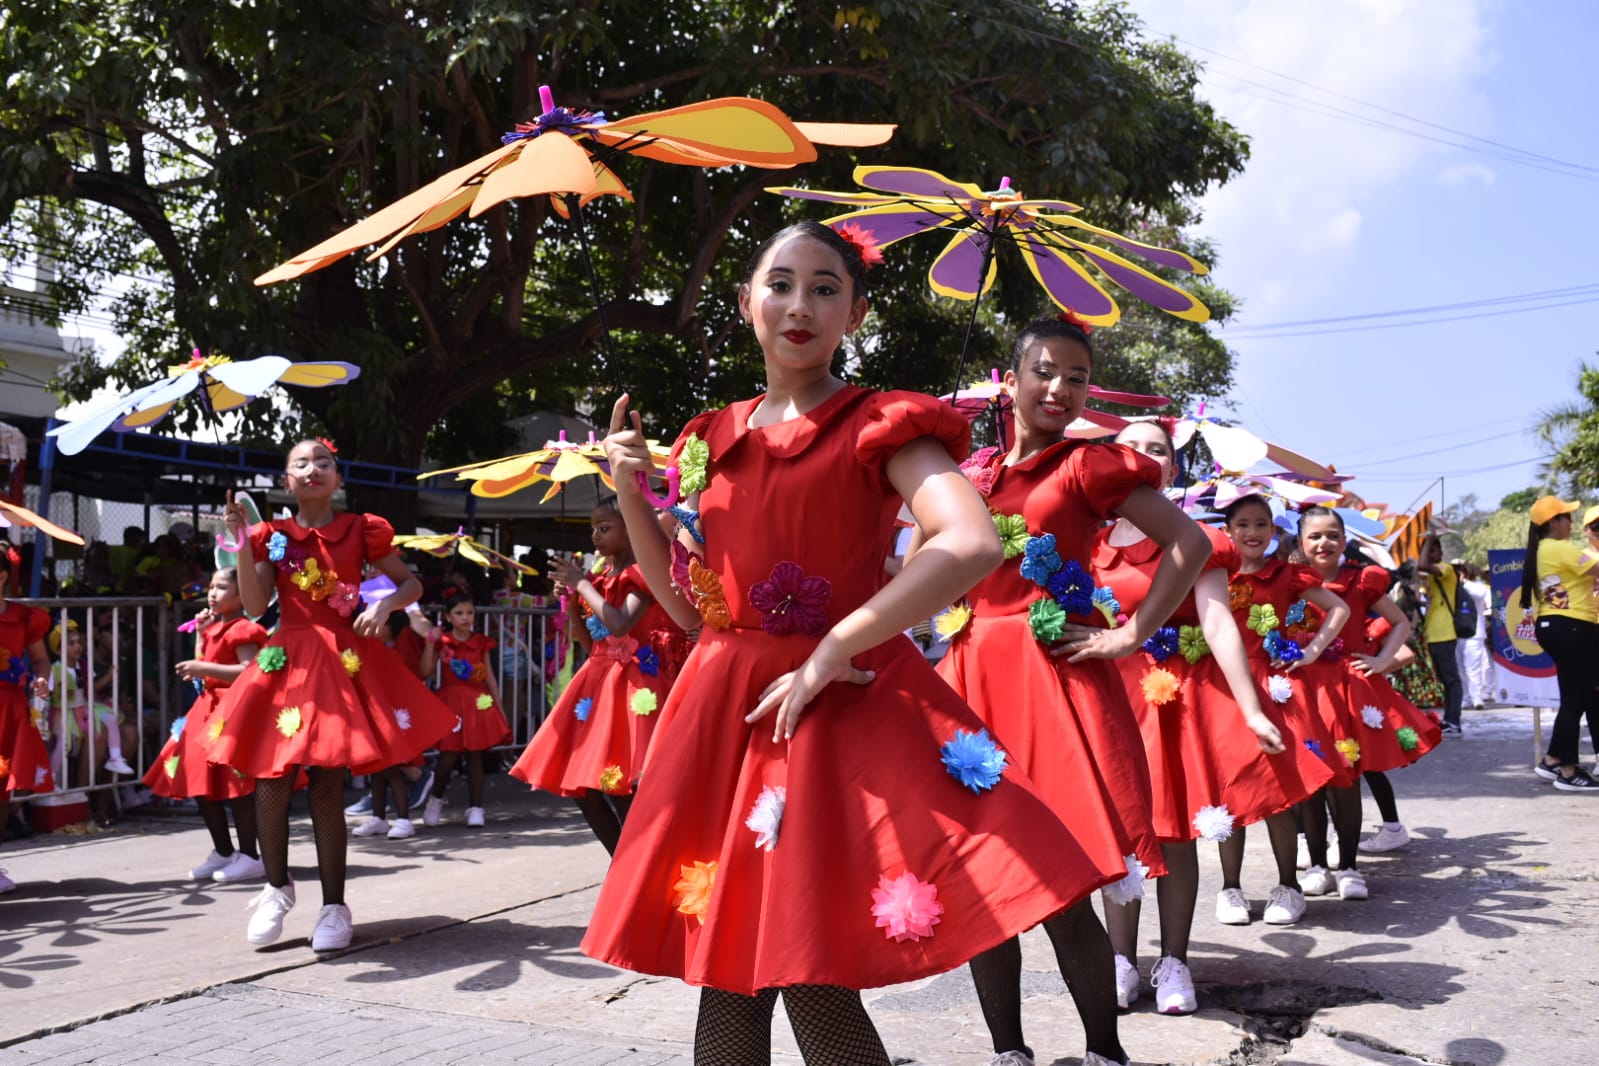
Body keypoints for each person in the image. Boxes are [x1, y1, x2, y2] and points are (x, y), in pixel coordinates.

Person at [592, 221, 1111, 1066]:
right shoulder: (705, 438)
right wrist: (627, 488)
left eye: (825, 288)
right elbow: (690, 613)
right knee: (730, 967)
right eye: (781, 283)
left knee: (802, 965)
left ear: (855, 312)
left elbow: (969, 541)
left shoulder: (880, 422)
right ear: (744, 303)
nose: (800, 305)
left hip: (831, 712)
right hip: (728, 708)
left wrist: (837, 645)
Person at [927, 314, 1208, 1058]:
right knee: (983, 884)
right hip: (968, 678)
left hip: (1051, 678)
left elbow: (1190, 543)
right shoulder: (969, 474)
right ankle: (1007, 1052)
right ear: (1010, 378)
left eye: (1076, 377)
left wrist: (1130, 634)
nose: (1059, 388)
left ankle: (1102, 1051)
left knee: (1058, 885)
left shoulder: (1089, 466)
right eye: (1045, 371)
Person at [1092, 424, 1335, 1015]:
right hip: (1110, 698)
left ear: (1172, 469)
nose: (1146, 457)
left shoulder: (1197, 538)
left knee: (1174, 832)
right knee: (1120, 831)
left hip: (1176, 701)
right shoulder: (1086, 542)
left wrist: (1251, 706)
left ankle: (1173, 962)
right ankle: (1121, 960)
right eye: (1134, 446)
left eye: (1159, 449)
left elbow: (1220, 622)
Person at [210, 440, 458, 950]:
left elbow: (409, 584)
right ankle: (277, 887)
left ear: (337, 478)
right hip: (288, 661)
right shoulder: (270, 535)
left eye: (323, 462)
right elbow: (256, 607)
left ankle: (333, 907)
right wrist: (241, 544)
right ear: (287, 481)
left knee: (326, 781)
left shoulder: (360, 529)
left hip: (341, 663)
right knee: (270, 777)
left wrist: (384, 606)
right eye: (300, 463)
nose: (313, 469)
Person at [509, 499, 684, 855]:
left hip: (633, 685)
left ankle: (637, 870)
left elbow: (621, 623)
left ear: (631, 528)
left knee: (622, 786)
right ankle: (625, 866)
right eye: (594, 528)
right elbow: (592, 643)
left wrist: (581, 584)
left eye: (605, 528)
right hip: (598, 684)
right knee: (585, 788)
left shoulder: (640, 572)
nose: (595, 535)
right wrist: (573, 603)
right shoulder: (601, 579)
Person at [1216, 496, 1355, 905]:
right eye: (1243, 524)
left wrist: (1311, 651)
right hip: (1224, 687)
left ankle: (1288, 887)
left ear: (1275, 532)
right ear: (1228, 531)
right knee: (1231, 788)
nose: (1252, 533)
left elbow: (1339, 608)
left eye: (1261, 524)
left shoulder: (1288, 574)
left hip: (1275, 688)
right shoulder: (1213, 574)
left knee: (1280, 790)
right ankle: (1230, 889)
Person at [1297, 507, 1440, 864]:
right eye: (1314, 536)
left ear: (1345, 541)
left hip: (1349, 689)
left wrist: (1381, 661)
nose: (1324, 542)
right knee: (1311, 762)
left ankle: (1347, 859)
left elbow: (1400, 623)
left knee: (1351, 767)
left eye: (1332, 535)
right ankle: (1313, 843)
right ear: (1300, 543)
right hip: (1305, 686)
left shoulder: (1361, 581)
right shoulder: (1291, 581)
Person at [142, 568, 268, 883]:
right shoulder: (215, 626)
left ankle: (251, 855)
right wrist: (201, 635)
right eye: (211, 586)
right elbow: (205, 669)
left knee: (236, 787)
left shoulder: (243, 628)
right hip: (207, 711)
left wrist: (202, 667)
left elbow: (248, 670)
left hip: (232, 711)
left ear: (242, 596)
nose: (212, 592)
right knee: (200, 783)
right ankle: (224, 851)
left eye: (222, 587)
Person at [1521, 496, 1599, 791]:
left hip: (1559, 625)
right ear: (1553, 522)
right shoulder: (1559, 548)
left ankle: (1553, 760)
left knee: (1579, 696)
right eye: (1567, 516)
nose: (1571, 522)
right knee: (1574, 699)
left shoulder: (1543, 549)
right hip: (1571, 625)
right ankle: (1566, 769)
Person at [421, 591, 510, 828]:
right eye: (459, 613)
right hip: (451, 701)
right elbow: (425, 671)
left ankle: (476, 808)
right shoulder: (443, 640)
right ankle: (436, 799)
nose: (465, 617)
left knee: (475, 756)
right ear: (448, 616)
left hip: (476, 703)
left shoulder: (481, 641)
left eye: (470, 613)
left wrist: (499, 707)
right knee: (447, 758)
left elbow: (489, 676)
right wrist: (431, 643)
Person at [349, 608, 434, 839]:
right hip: (376, 717)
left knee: (391, 770)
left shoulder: (387, 654)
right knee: (377, 772)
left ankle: (404, 820)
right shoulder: (376, 650)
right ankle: (378, 818)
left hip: (388, 720)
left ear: (386, 627)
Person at [0, 545, 54, 894]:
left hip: (9, 711)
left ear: (2, 577)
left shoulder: (24, 617)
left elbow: (41, 662)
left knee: (2, 791)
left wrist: (42, 683)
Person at [1417, 533, 1465, 735]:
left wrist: (1428, 540)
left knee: (1452, 679)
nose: (1428, 555)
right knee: (1446, 679)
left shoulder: (1445, 569)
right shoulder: (1432, 576)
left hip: (1444, 633)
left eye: (1433, 550)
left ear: (1441, 552)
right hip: (1435, 633)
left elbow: (1422, 565)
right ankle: (1449, 719)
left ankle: (1453, 721)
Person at [1455, 562, 1494, 708]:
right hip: (1456, 633)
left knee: (1473, 667)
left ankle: (1476, 697)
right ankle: (1465, 697)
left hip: (1474, 633)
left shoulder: (1476, 587)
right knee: (1460, 669)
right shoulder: (1453, 589)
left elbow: (1480, 594)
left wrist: (1463, 582)